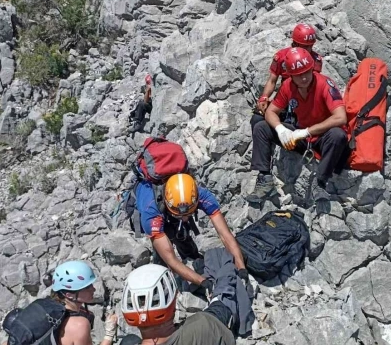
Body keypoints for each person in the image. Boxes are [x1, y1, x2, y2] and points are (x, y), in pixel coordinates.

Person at [247, 48, 348, 203]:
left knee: (338, 135)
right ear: (291, 76)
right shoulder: (288, 86)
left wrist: (307, 131)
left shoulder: (325, 84)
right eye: (298, 75)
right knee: (261, 127)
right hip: (301, 136)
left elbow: (341, 117)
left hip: (322, 138)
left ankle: (320, 182)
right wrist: (280, 129)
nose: (304, 78)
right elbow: (271, 112)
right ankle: (265, 178)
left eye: (307, 72)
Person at [136, 173, 248, 293]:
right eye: (180, 215)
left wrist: (241, 268)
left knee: (182, 233)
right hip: (151, 206)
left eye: (188, 214)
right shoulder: (151, 212)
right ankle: (160, 279)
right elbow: (171, 259)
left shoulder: (202, 195)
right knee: (163, 249)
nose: (184, 218)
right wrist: (202, 281)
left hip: (171, 206)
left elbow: (225, 235)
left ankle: (192, 257)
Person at [1, 260, 118, 345]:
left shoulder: (42, 306)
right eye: (87, 287)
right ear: (69, 295)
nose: (93, 289)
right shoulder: (79, 325)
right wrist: (109, 335)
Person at [118, 264, 235, 345]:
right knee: (224, 294)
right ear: (172, 303)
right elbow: (228, 339)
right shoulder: (201, 324)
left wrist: (108, 335)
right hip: (214, 319)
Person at [251, 23, 323, 129]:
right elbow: (272, 80)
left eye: (311, 46)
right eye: (305, 46)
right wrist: (264, 97)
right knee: (257, 118)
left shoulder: (315, 60)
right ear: (295, 43)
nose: (309, 49)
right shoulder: (281, 57)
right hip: (283, 98)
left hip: (304, 101)